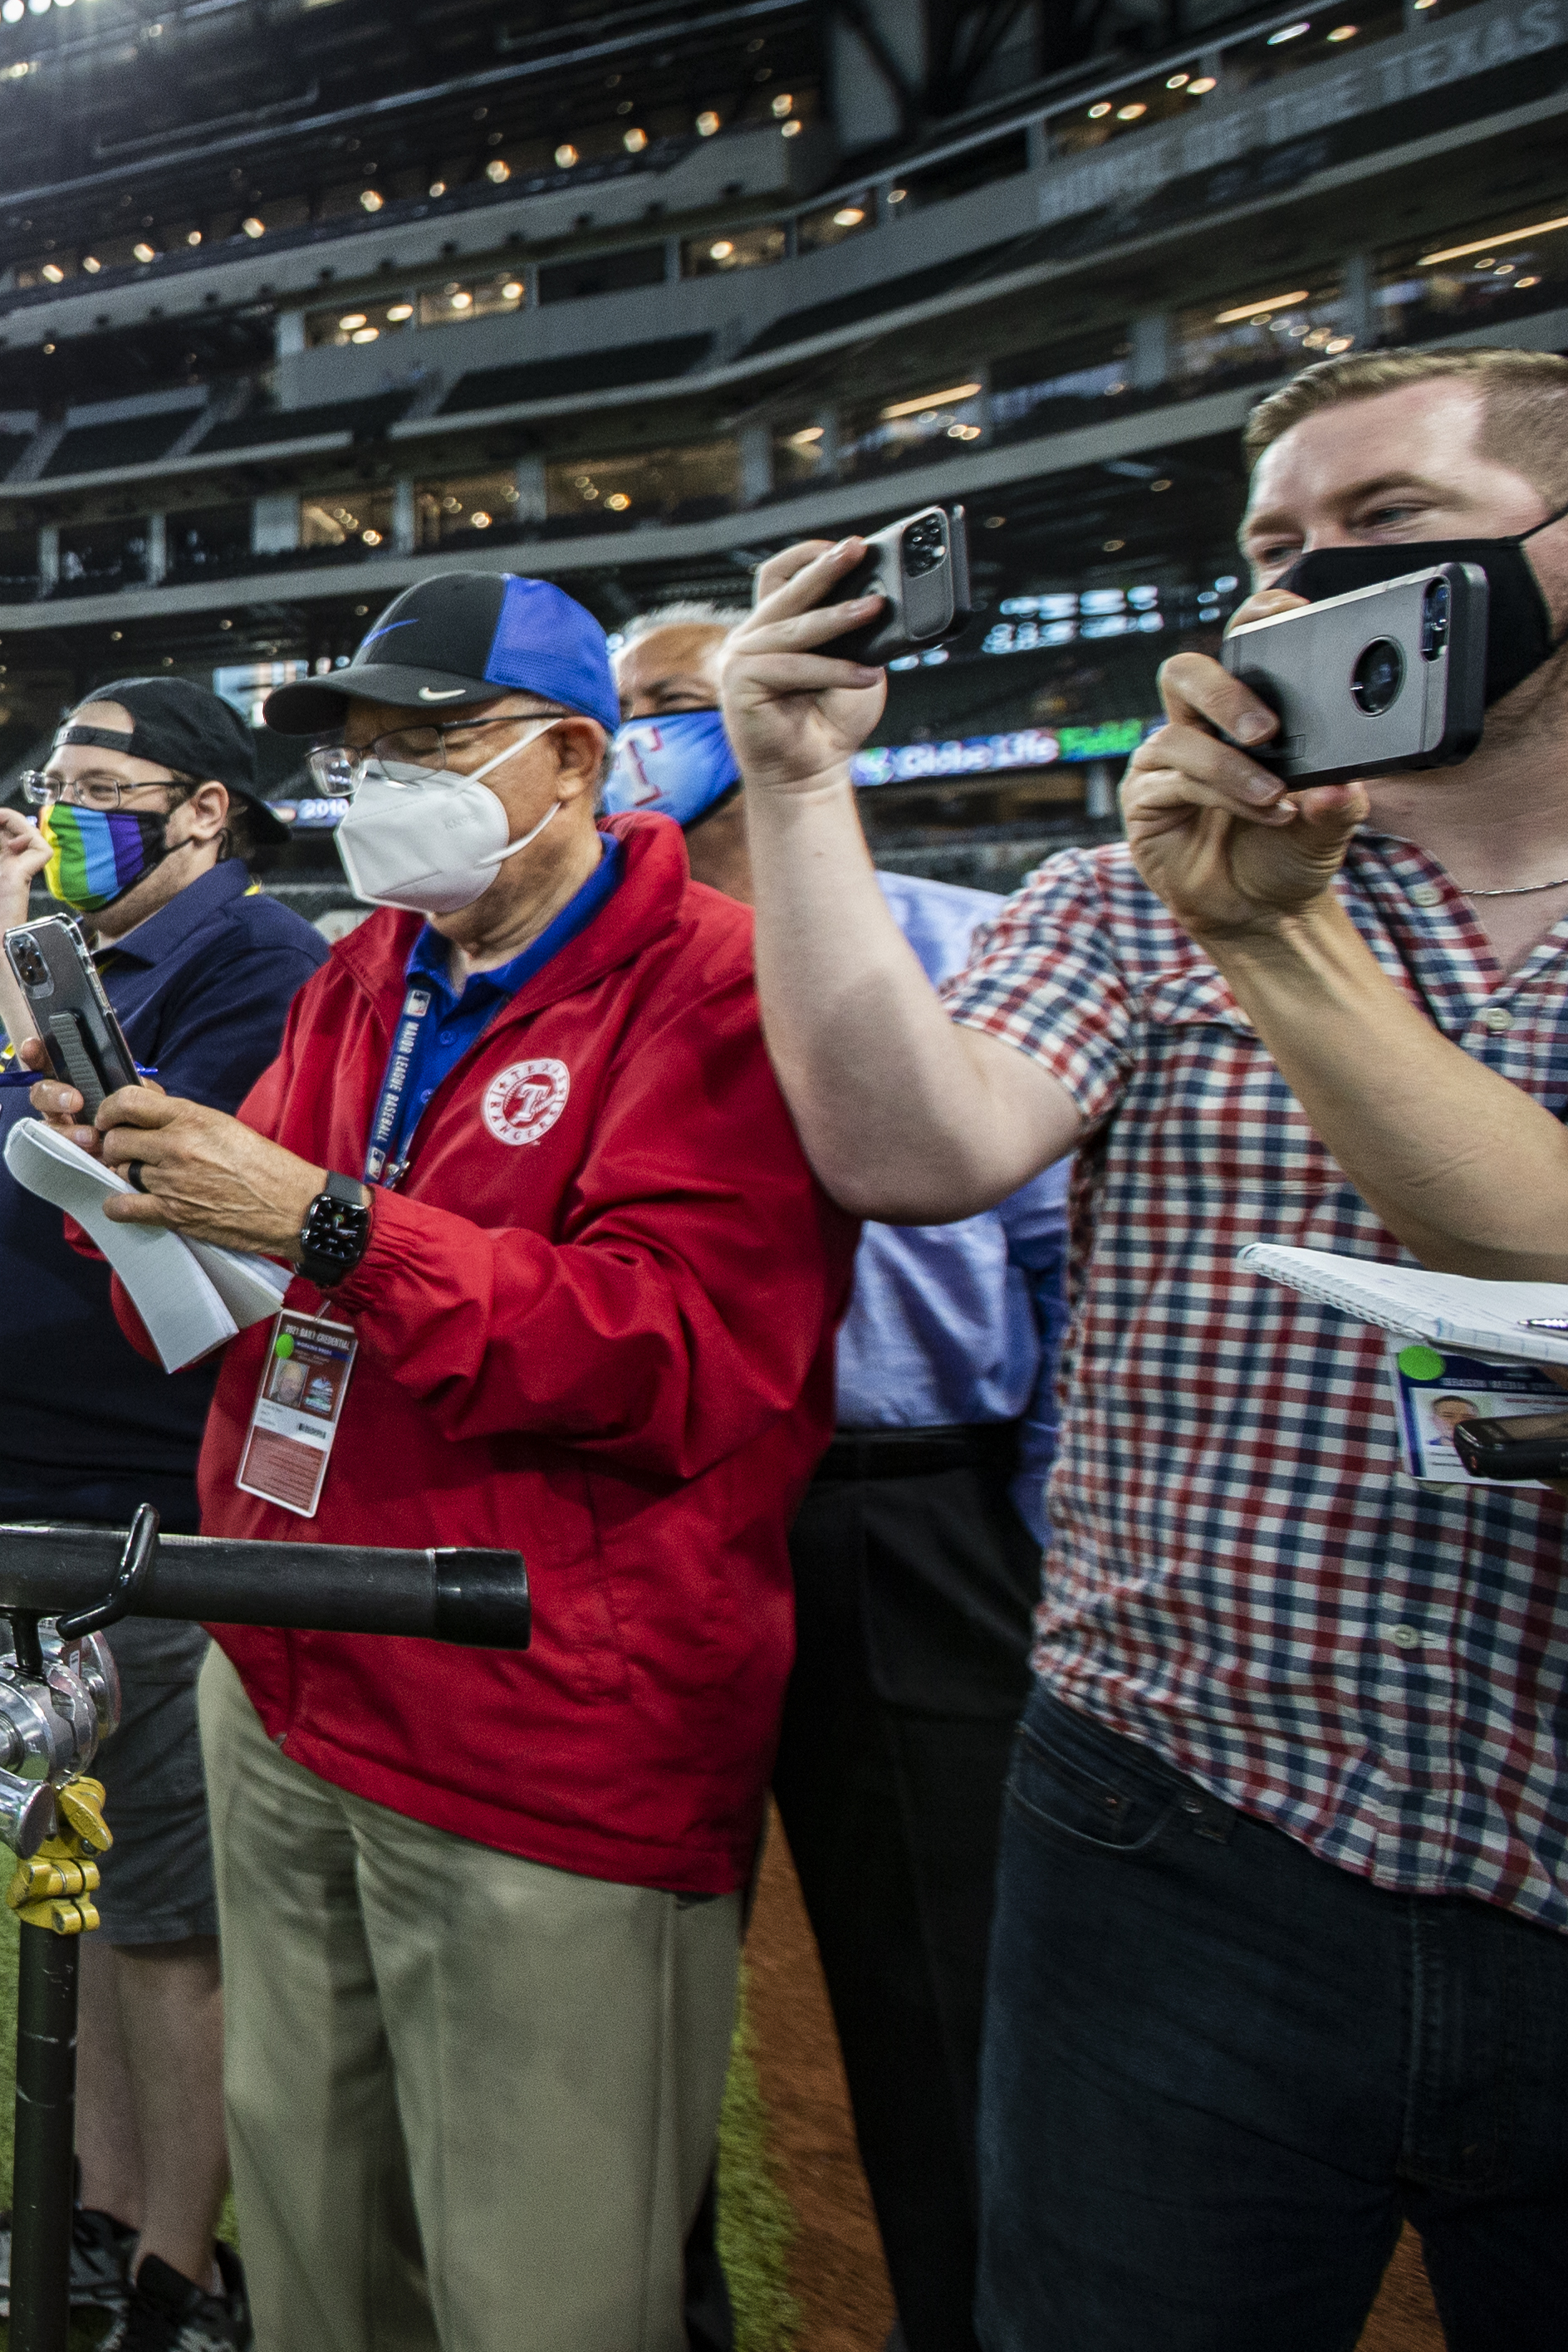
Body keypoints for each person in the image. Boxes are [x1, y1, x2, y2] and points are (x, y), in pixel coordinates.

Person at [719, 345, 1568, 2346]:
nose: (1302, 586)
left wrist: (1268, 936)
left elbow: (1567, 1252)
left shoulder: (1209, 899)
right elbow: (904, 1140)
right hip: (1178, 1815)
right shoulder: (1122, 891)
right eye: (1271, 547)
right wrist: (791, 781)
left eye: (1376, 527)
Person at [47, 570, 855, 2352]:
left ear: (572, 759)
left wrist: (327, 1223)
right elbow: (251, 1288)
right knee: (323, 2243)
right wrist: (144, 1215)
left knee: (534, 2283)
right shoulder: (369, 969)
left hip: (539, 1723)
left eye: (432, 745)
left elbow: (674, 1360)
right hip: (288, 1672)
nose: (378, 788)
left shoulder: (712, 982)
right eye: (360, 754)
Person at [613, 612, 1067, 2352]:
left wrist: (1020, 1525)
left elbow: (1054, 1266)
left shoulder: (972, 941)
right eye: (642, 707)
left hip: (903, 1498)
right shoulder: (599, 963)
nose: (673, 729)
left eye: (683, 702)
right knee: (627, 1970)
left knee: (943, 1992)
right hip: (666, 1485)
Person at [0, 672, 321, 2352]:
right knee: (66, 1884)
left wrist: (13, 972)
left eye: (94, 780)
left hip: (135, 1508)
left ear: (201, 807)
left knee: (163, 1919)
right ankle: (83, 2210)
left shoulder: (254, 966)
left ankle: (177, 2270)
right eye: (50, 777)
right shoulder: (72, 958)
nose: (57, 806)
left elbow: (171, 1192)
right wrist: (6, 956)